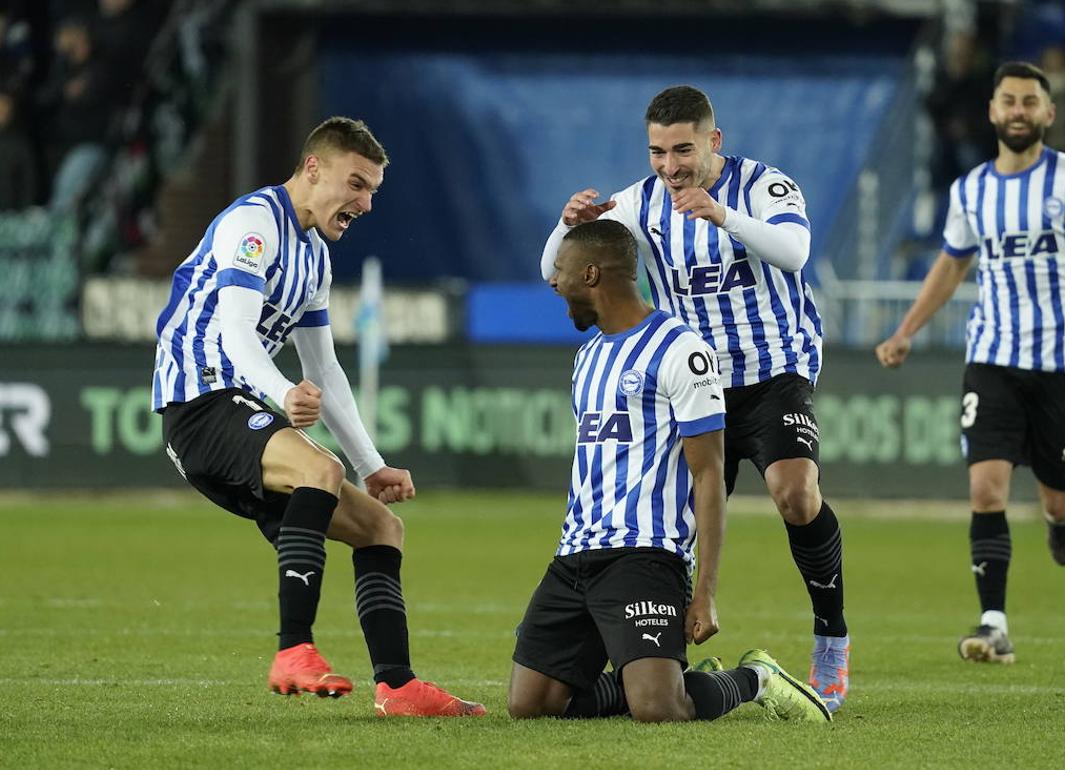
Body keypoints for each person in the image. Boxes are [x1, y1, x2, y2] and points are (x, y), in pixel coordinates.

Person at [151, 116, 484, 717]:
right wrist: (281, 393)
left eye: (373, 191)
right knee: (318, 470)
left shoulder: (316, 259)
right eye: (356, 185)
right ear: (313, 168)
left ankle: (400, 688)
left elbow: (326, 371)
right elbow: (233, 331)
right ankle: (292, 650)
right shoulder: (255, 223)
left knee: (382, 528)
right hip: (198, 403)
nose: (365, 202)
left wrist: (373, 465)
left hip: (242, 406)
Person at [540, 85, 851, 714]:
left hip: (772, 371)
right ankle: (663, 658)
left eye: (683, 149)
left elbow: (796, 252)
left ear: (714, 141)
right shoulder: (639, 201)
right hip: (692, 380)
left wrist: (723, 216)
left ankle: (830, 637)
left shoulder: (764, 186)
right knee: (670, 523)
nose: (670, 165)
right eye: (658, 151)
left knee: (796, 493)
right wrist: (566, 224)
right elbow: (557, 268)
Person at [876, 62, 1065, 664]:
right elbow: (951, 265)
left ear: (1049, 114)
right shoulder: (971, 190)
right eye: (1009, 100)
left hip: (1064, 363)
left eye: (1031, 101)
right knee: (985, 488)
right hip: (993, 358)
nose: (1019, 110)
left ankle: (1063, 519)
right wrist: (905, 331)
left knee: (1056, 499)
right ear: (993, 111)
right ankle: (993, 624)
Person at [510, 219, 829, 723]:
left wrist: (704, 591)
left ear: (591, 274)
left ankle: (756, 677)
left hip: (645, 556)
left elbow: (709, 474)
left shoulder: (682, 351)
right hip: (575, 555)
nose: (554, 282)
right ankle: (651, 674)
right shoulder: (586, 357)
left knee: (659, 709)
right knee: (531, 706)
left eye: (562, 272)